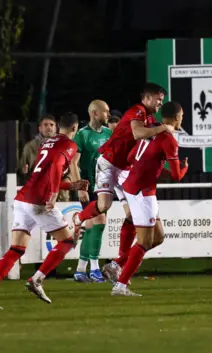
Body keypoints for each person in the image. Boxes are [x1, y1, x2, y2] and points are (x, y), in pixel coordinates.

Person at [0, 115, 89, 310]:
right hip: (39, 201)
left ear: (58, 127)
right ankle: (37, 279)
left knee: (16, 250)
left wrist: (70, 185)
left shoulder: (47, 144)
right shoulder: (69, 144)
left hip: (23, 199)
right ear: (75, 128)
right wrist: (55, 193)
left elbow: (43, 175)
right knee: (67, 242)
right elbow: (55, 168)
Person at [71, 83, 175, 283]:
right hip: (109, 163)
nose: (161, 103)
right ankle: (79, 218)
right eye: (158, 98)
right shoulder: (137, 110)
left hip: (125, 168)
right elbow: (137, 133)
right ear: (146, 98)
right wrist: (166, 127)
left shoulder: (150, 119)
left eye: (162, 99)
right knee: (104, 206)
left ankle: (115, 265)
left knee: (131, 214)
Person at [112, 101, 188, 296]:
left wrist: (153, 169)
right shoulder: (169, 139)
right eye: (182, 116)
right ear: (177, 117)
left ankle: (116, 264)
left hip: (135, 186)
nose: (182, 120)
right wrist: (185, 166)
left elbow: (131, 157)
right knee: (145, 242)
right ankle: (121, 285)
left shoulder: (150, 129)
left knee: (158, 237)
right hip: (142, 192)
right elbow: (176, 176)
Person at [71, 102, 112, 283]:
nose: (108, 114)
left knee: (90, 227)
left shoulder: (108, 133)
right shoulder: (82, 135)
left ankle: (80, 269)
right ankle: (95, 269)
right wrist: (80, 186)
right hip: (89, 187)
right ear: (94, 113)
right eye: (106, 111)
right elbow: (73, 162)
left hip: (104, 185)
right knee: (100, 222)